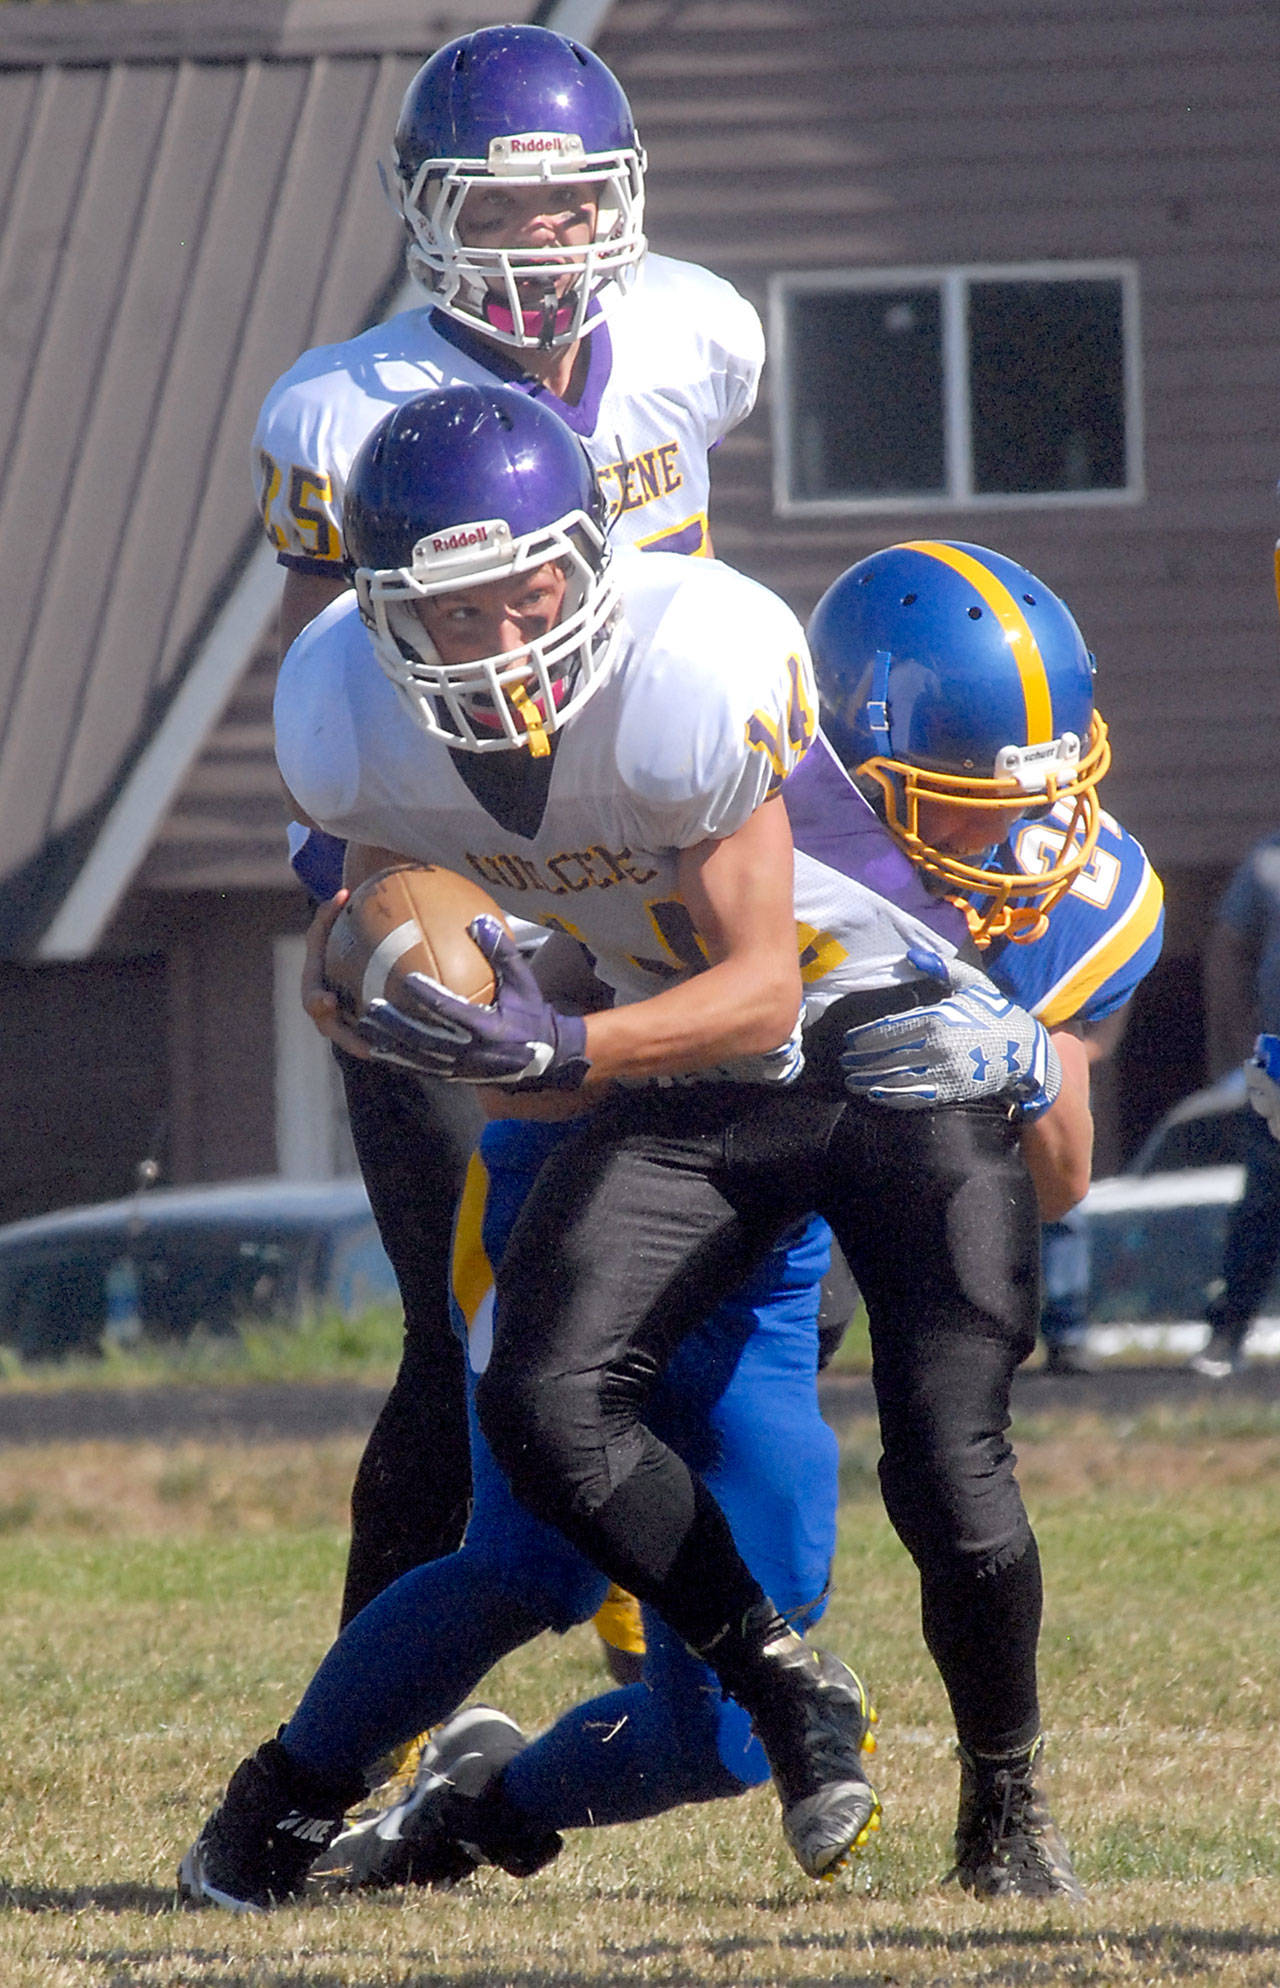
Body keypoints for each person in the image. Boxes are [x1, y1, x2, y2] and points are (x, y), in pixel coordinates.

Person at [177, 406, 1080, 1910]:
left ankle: (493, 1808)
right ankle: (277, 1805)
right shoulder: (351, 714)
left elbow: (768, 993)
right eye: (452, 609)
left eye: (526, 593)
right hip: (661, 1104)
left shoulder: (689, 680)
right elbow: (350, 954)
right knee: (526, 1523)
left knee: (796, 1638)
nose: (498, 640)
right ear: (383, 610)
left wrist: (1031, 1049)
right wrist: (379, 979)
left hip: (770, 1086)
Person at [253, 22, 767, 1629]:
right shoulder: (343, 412)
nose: (540, 244)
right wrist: (363, 905)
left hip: (649, 843)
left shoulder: (693, 331)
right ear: (424, 210)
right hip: (459, 847)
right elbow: (336, 673)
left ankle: (679, 1637)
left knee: (738, 1271)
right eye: (499, 205)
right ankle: (371, 1718)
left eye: (567, 205)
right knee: (456, 1327)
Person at [1190, 832, 1280, 1376]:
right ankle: (1229, 1331)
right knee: (1265, 1198)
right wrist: (1238, 1032)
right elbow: (1227, 945)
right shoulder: (1268, 860)